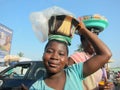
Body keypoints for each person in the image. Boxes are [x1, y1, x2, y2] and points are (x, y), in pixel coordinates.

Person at [27, 6, 112, 90]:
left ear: (67, 59)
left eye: (61, 54)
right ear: (43, 55)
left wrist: (84, 31)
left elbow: (106, 54)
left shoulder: (75, 72)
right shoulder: (37, 87)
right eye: (49, 51)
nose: (54, 57)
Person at [68, 14, 112, 90]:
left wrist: (107, 86)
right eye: (91, 39)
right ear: (82, 41)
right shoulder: (75, 58)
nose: (95, 43)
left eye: (96, 39)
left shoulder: (100, 60)